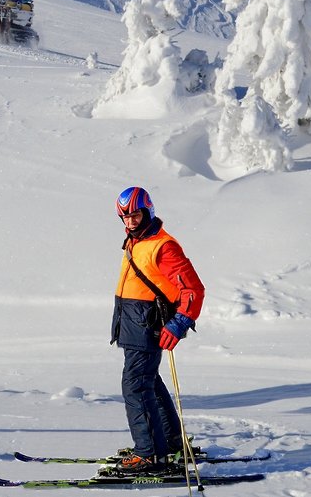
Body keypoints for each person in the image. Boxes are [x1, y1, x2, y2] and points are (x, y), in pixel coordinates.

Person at [108, 186, 205, 475]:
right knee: (147, 381)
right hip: (133, 323)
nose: (130, 222)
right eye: (124, 217)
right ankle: (170, 442)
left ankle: (150, 454)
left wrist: (179, 323)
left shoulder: (163, 246)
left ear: (148, 211)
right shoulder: (136, 241)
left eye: (135, 216)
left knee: (135, 385)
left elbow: (193, 289)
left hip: (147, 326)